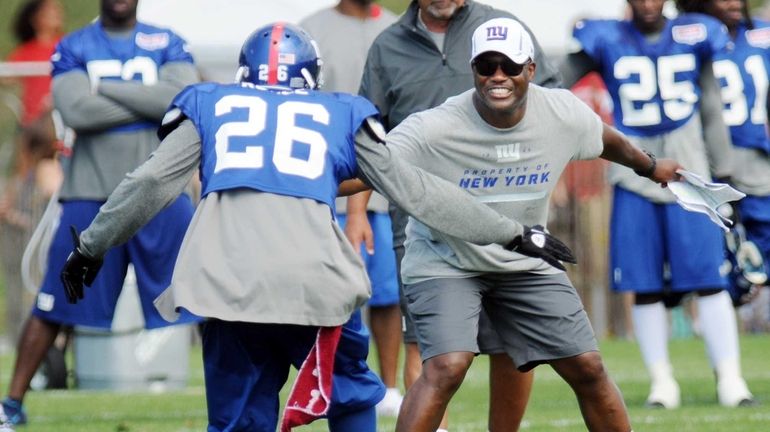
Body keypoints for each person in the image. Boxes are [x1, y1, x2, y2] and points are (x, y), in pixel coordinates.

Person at [58, 22, 563, 432]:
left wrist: (91, 246)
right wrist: (513, 232)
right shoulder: (337, 112)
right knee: (349, 398)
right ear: (313, 76)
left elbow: (149, 183)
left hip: (226, 285)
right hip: (313, 286)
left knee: (239, 420)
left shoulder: (211, 105)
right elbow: (417, 190)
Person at [387, 17, 686, 432]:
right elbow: (373, 162)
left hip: (526, 258)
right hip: (446, 259)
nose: (498, 77)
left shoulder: (560, 111)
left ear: (530, 69)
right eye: (486, 66)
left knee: (589, 366)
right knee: (446, 367)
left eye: (509, 66)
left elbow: (607, 139)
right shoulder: (435, 126)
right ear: (471, 70)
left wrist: (651, 167)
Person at [356, 1, 560, 428]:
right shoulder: (387, 45)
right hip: (418, 219)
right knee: (428, 348)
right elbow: (367, 139)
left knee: (512, 343)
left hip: (508, 210)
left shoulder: (503, 28)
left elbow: (554, 104)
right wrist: (357, 211)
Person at [1, 0, 201, 425]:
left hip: (160, 194)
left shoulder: (168, 41)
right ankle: (11, 403)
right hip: (90, 194)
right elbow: (75, 112)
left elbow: (180, 98)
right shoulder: (74, 45)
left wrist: (104, 88)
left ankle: (241, 405)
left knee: (206, 297)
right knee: (54, 303)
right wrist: (149, 101)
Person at [561, 0, 754, 408]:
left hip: (690, 170)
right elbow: (554, 81)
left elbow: (711, 106)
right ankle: (662, 382)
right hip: (632, 173)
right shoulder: (605, 37)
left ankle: (731, 379)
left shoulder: (694, 33)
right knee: (643, 284)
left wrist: (726, 172)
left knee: (709, 278)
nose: (648, 3)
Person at [300, 0, 405, 417]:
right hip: (328, 184)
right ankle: (332, 378)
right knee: (337, 296)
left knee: (388, 292)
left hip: (385, 183)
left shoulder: (399, 29)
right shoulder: (311, 30)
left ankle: (391, 387)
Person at [677, 0, 770, 305]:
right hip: (708, 164)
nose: (733, 2)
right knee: (722, 272)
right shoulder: (688, 38)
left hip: (758, 162)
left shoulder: (761, 35)